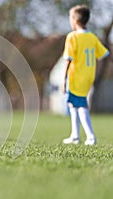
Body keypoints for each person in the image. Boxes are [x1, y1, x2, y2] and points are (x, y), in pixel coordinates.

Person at [62, 4, 109, 145]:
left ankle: (90, 137)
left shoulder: (72, 37)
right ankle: (75, 135)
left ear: (75, 20)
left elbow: (68, 59)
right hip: (89, 76)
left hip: (76, 76)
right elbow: (105, 54)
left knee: (80, 104)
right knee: (73, 104)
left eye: (70, 17)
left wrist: (64, 79)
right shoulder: (92, 37)